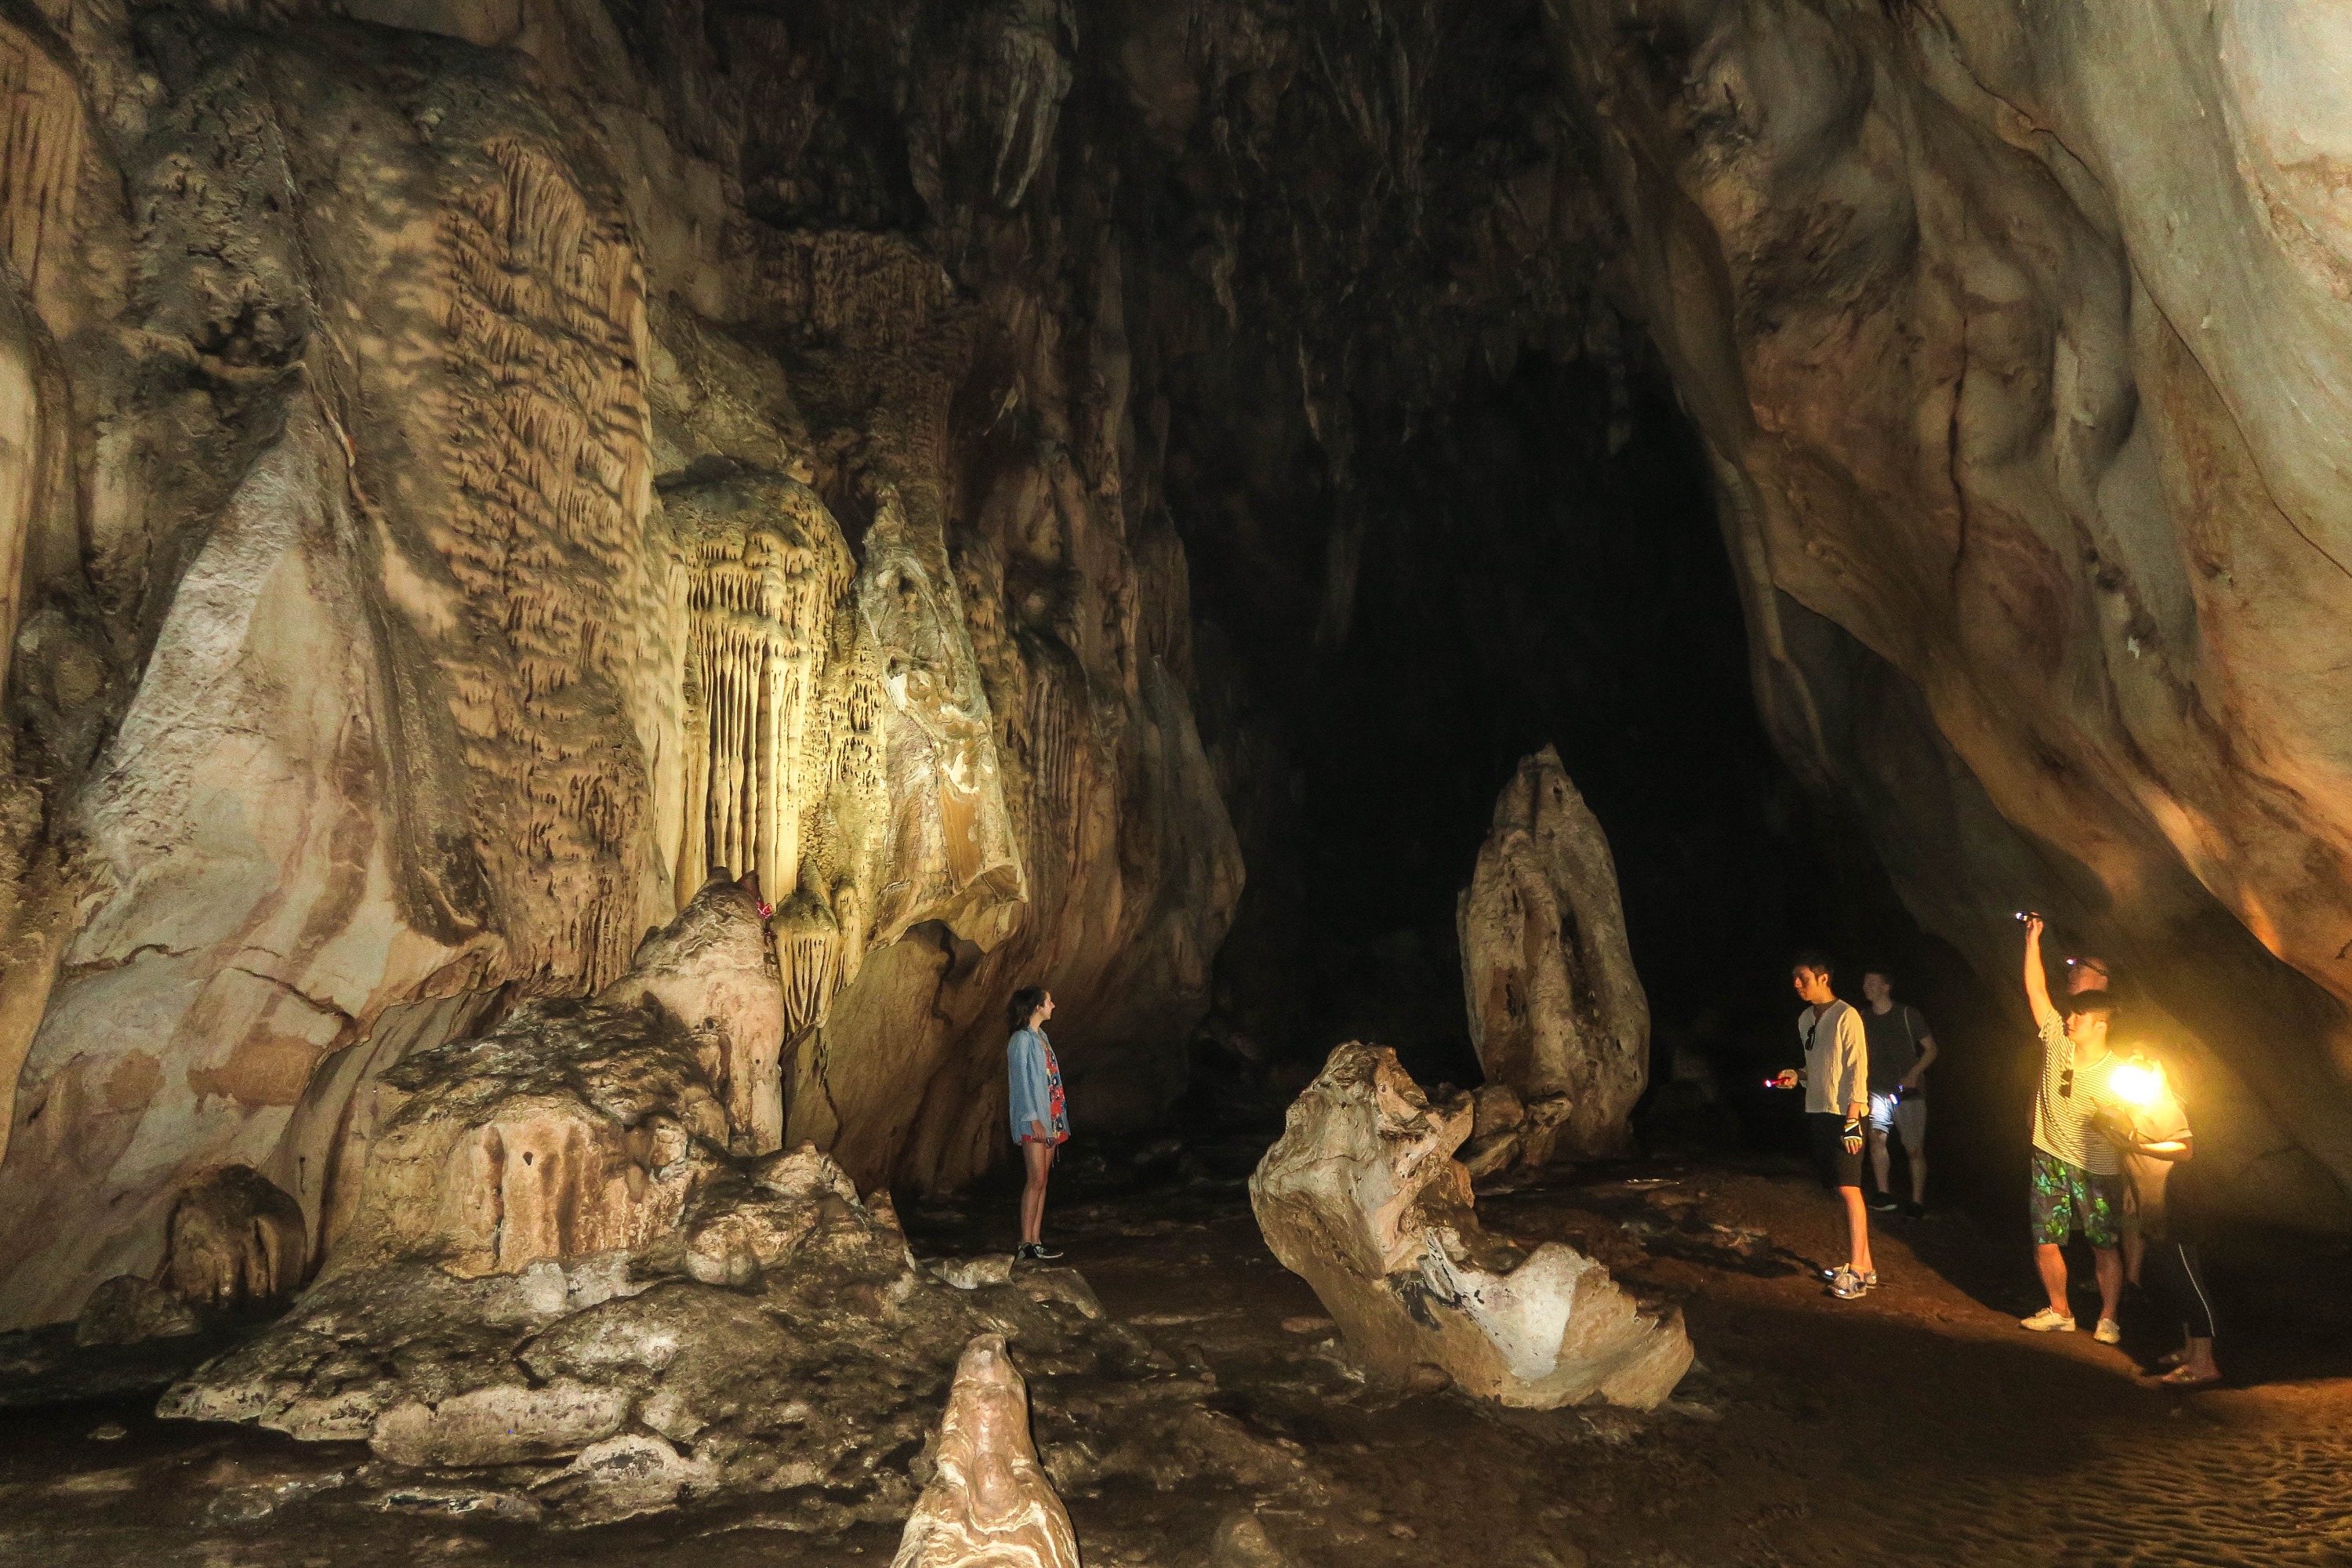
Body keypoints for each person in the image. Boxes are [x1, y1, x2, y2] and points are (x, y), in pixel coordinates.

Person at [2019, 916, 2130, 1342]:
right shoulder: (2056, 1039)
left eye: (2079, 1018)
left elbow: (2130, 1127)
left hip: (2096, 1168)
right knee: (2045, 1238)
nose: (2069, 1021)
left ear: (2099, 1025)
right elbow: (2036, 990)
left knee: (2103, 1244)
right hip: (2049, 1157)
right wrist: (2033, 941)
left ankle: (2108, 1318)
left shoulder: (2115, 1072)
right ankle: (2060, 1310)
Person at [2105, 1059, 2220, 1386]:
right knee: (2174, 1281)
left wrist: (2135, 1145)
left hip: (2176, 1208)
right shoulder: (2139, 1104)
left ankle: (2205, 1362)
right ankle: (2189, 1351)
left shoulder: (2164, 1104)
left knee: (2189, 1284)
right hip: (2154, 1209)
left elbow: (2185, 1150)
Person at [1776, 953, 1875, 1300]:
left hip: (1845, 1114)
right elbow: (1816, 1066)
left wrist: (1852, 1121)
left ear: (1823, 978)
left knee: (1850, 1188)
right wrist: (1796, 1076)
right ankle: (1867, 1263)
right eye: (1795, 978)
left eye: (1802, 978)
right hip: (1818, 1108)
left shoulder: (1847, 1016)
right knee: (1838, 1185)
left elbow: (1855, 1069)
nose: (1797, 985)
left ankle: (1858, 1272)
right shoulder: (1806, 1019)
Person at [1859, 968, 1937, 1217]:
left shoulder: (1906, 1014)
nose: (1867, 986)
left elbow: (1931, 1049)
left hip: (1908, 1092)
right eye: (1865, 982)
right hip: (1878, 1088)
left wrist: (1914, 1073)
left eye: (1873, 982)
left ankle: (1916, 1202)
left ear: (1886, 986)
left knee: (1913, 1148)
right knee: (1876, 1137)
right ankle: (1884, 1194)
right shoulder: (1863, 1017)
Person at [1006, 986, 1067, 1262]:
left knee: (1043, 1181)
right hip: (1034, 1119)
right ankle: (1025, 1244)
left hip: (1051, 1117)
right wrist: (1031, 1118)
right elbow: (1020, 1083)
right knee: (1036, 1179)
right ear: (1036, 1007)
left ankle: (1036, 1240)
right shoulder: (1021, 1041)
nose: (1053, 1005)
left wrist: (1057, 1119)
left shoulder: (1042, 1037)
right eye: (1049, 1001)